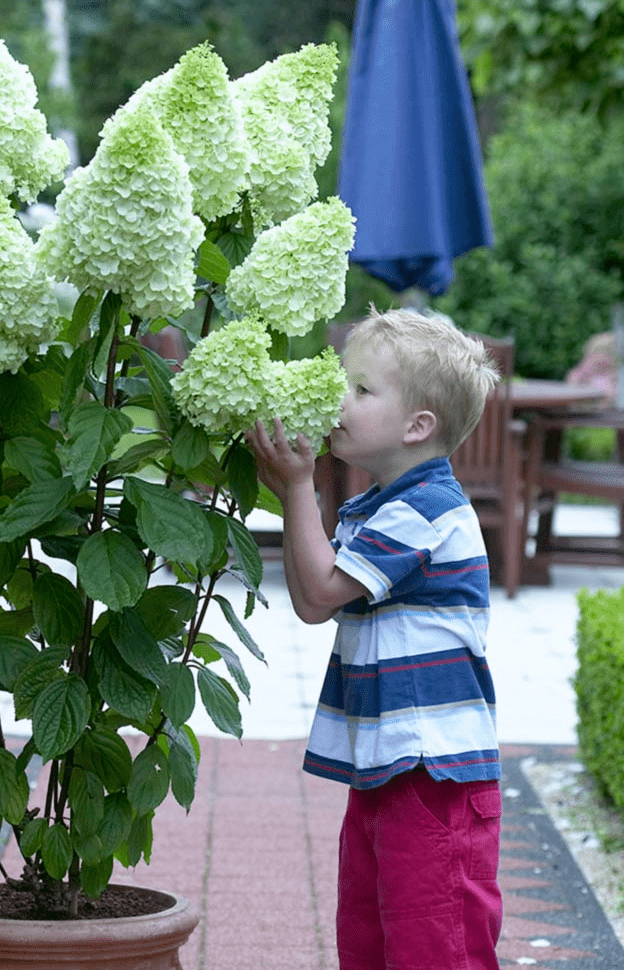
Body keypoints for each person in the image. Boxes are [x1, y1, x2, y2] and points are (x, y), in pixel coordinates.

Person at [246, 307, 503, 970]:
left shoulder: (430, 507)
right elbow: (310, 603)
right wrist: (290, 491)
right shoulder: (381, 508)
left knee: (434, 946)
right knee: (369, 938)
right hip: (387, 770)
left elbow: (324, 588)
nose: (340, 398)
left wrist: (300, 485)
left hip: (432, 776)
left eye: (361, 391)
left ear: (418, 426)